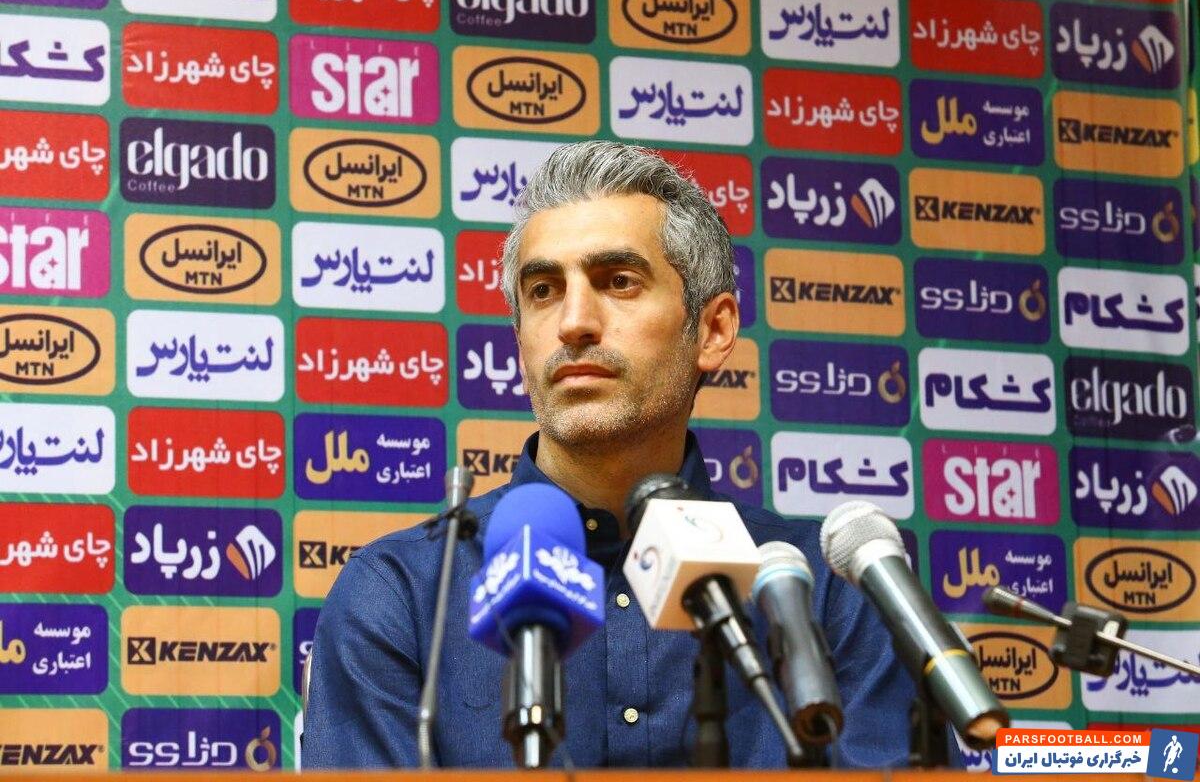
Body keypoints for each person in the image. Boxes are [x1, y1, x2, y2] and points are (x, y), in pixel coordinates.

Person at [303, 140, 916, 768]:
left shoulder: (827, 590)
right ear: (520, 342)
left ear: (713, 330)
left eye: (619, 281)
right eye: (544, 290)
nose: (573, 322)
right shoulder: (404, 596)